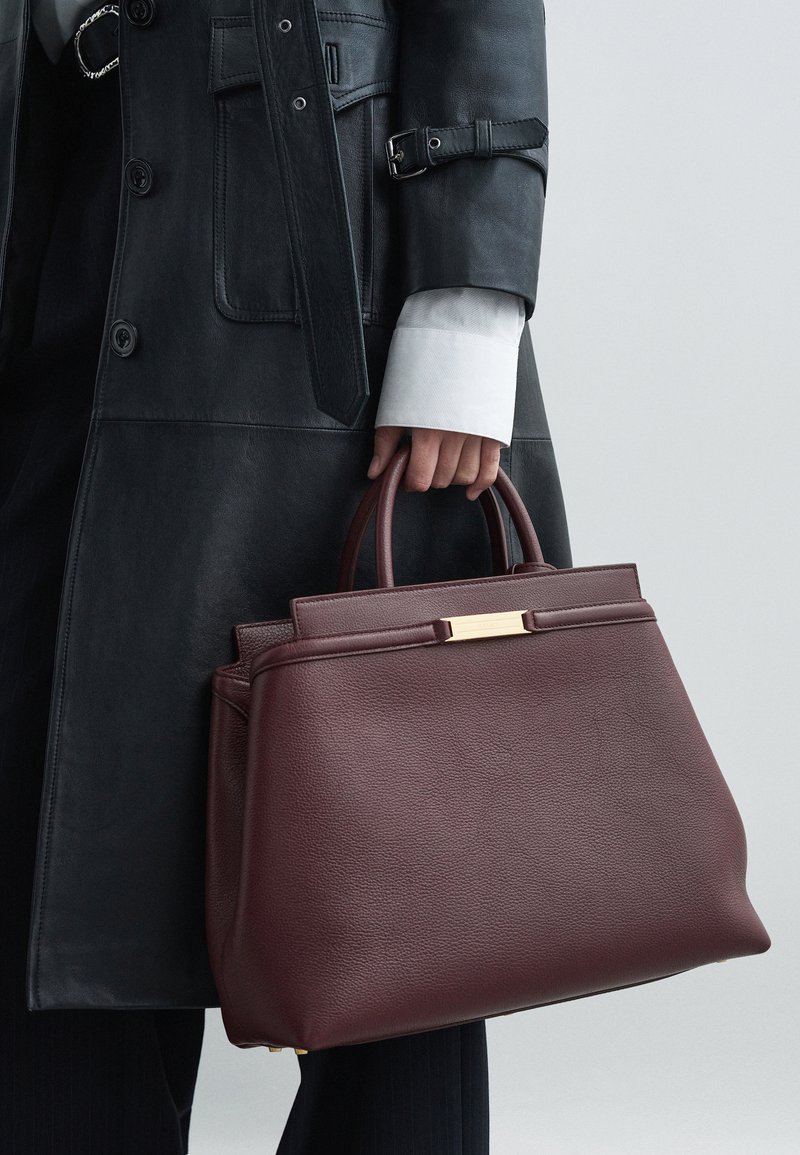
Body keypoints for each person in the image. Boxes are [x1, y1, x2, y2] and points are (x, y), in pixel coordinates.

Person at [0, 1, 572, 1151]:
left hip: (323, 265)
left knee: (387, 851)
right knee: (48, 829)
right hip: (64, 201)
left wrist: (464, 305)